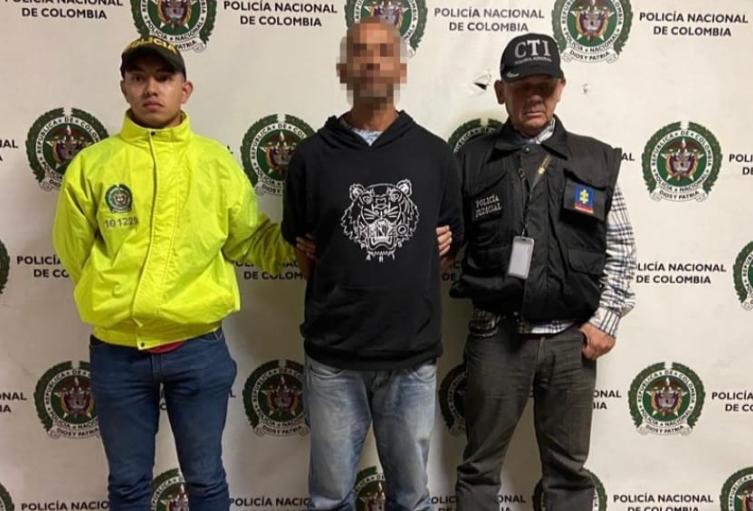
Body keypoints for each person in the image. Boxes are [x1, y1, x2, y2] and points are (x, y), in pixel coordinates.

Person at [52, 36, 293, 511]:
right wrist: (117, 300)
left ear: (186, 90)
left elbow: (250, 240)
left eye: (164, 78)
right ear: (124, 87)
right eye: (138, 77)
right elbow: (75, 252)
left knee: (205, 478)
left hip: (198, 350)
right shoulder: (93, 166)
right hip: (117, 353)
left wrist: (316, 243)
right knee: (128, 484)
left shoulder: (215, 163)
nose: (151, 89)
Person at [281, 18, 463, 511]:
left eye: (384, 52)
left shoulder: (434, 155)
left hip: (411, 359)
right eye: (360, 52)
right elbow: (304, 250)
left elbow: (446, 251)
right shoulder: (312, 157)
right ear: (343, 68)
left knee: (411, 498)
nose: (372, 62)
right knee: (329, 500)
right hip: (333, 358)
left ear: (401, 68)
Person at [452, 33, 637, 511]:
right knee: (479, 468)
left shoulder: (595, 159)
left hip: (570, 342)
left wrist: (606, 321)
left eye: (545, 86)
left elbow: (621, 247)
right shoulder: (470, 161)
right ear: (501, 91)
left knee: (568, 475)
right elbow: (448, 242)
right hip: (496, 337)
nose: (534, 96)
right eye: (521, 86)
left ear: (561, 88)